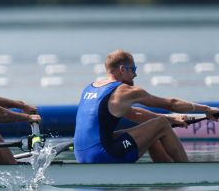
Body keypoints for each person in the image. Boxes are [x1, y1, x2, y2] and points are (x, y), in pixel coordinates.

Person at [74, 49, 218, 163]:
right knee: (160, 124)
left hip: (82, 155)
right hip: (103, 155)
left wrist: (172, 120)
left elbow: (135, 114)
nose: (135, 75)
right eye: (133, 69)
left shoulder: (90, 88)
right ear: (123, 69)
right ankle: (187, 173)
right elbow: (171, 103)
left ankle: (167, 174)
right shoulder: (125, 91)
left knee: (152, 131)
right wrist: (207, 109)